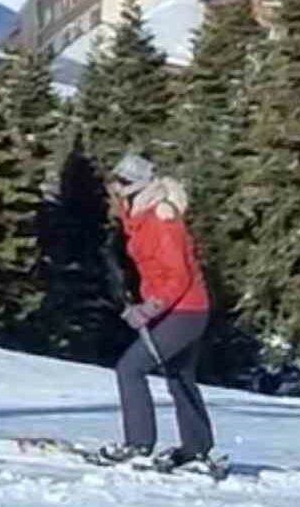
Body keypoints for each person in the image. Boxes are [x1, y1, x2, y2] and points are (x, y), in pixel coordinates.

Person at [100, 153, 215, 470]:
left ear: (136, 187)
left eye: (120, 183)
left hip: (185, 310)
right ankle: (196, 449)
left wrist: (149, 309)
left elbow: (178, 276)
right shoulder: (139, 219)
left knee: (130, 369)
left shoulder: (160, 220)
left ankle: (139, 443)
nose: (114, 189)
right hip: (180, 309)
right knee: (179, 375)